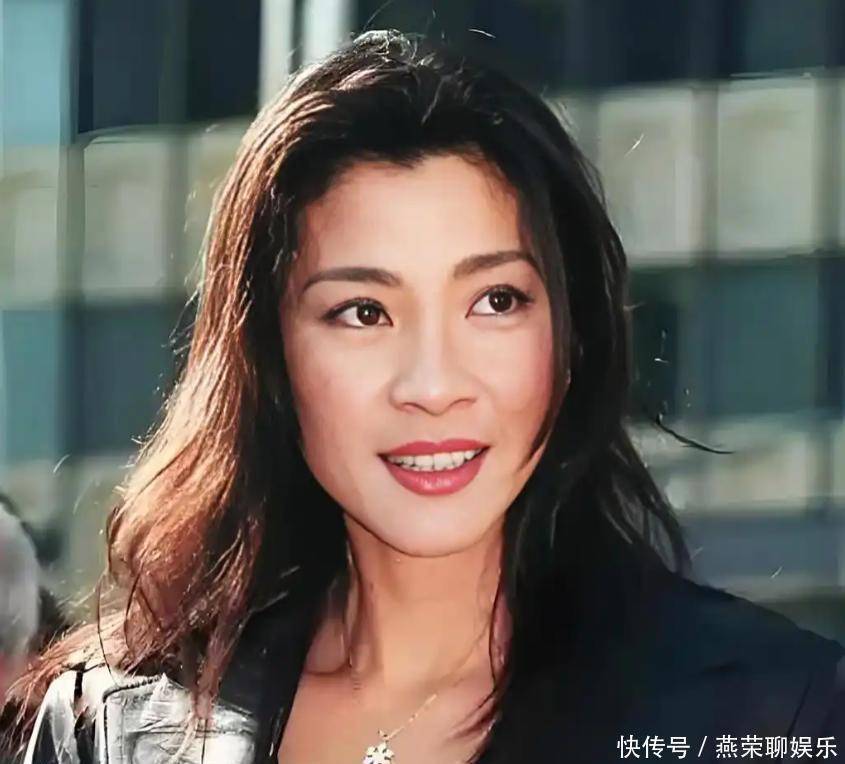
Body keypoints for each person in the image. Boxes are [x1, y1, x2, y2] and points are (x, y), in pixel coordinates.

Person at [5, 29, 845, 764]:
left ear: (571, 338)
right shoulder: (113, 725)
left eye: (495, 301)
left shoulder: (767, 712)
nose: (433, 386)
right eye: (362, 312)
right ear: (269, 355)